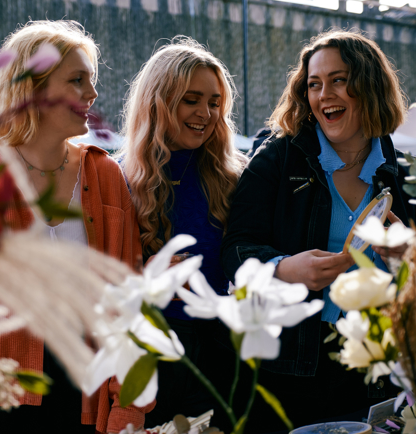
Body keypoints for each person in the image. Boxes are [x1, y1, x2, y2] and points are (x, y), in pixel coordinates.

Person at [220, 29, 415, 431]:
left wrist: (405, 258)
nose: (324, 94)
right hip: (288, 366)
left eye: (339, 80)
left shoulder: (389, 165)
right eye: (314, 84)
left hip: (369, 364)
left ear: (369, 85)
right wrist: (284, 267)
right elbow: (233, 251)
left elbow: (403, 271)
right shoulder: (278, 157)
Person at [0, 20, 154, 434]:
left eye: (92, 80)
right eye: (77, 80)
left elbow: (129, 302)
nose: (93, 94)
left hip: (83, 396)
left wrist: (129, 409)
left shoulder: (103, 173)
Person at [119, 37, 247, 428]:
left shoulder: (234, 175)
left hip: (220, 346)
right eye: (191, 100)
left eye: (214, 103)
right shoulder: (116, 176)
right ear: (157, 100)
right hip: (149, 347)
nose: (206, 113)